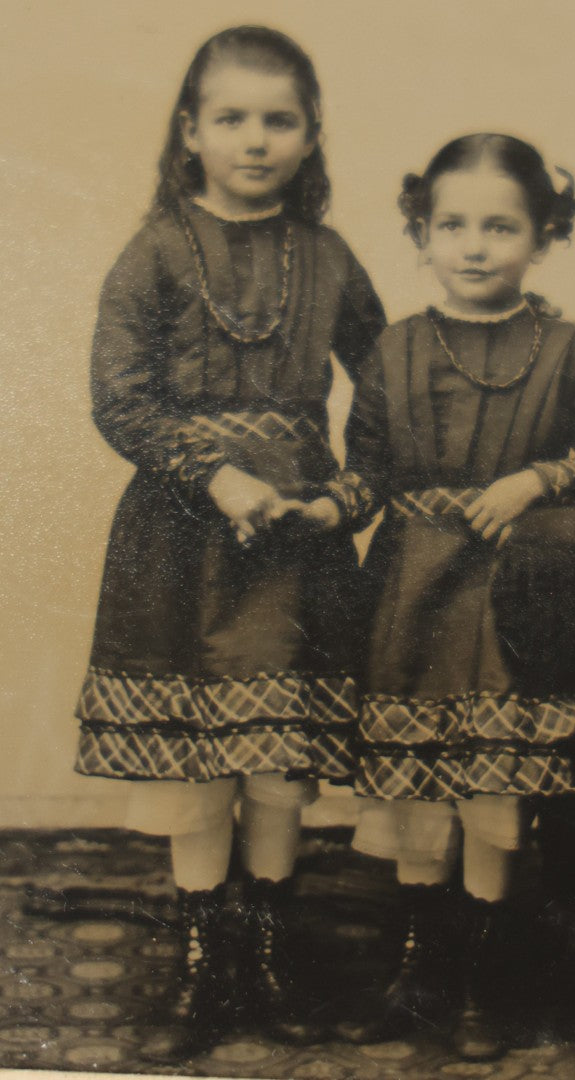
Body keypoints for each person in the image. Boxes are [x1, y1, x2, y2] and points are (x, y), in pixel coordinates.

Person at [74, 25, 385, 1059]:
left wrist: (348, 497)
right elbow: (118, 399)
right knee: (200, 762)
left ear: (310, 135)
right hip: (178, 545)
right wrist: (212, 472)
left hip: (295, 552)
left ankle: (267, 952)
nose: (256, 140)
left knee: (278, 766)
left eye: (279, 119)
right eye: (233, 117)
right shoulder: (156, 251)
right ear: (191, 129)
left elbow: (389, 400)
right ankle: (212, 967)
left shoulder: (331, 257)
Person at [326, 133, 575, 1059]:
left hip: (508, 611)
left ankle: (481, 979)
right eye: (453, 225)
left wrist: (541, 481)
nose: (475, 245)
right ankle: (420, 972)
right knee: (417, 799)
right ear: (421, 233)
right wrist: (322, 507)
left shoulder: (563, 348)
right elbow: (367, 473)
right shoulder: (394, 349)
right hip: (408, 600)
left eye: (502, 226)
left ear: (542, 236)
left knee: (489, 794)